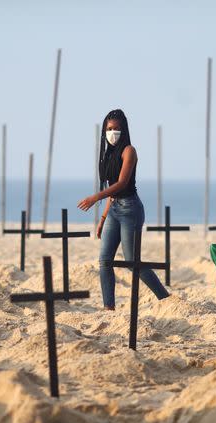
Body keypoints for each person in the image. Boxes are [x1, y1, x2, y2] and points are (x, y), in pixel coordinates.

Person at [77, 109, 169, 310]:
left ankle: (165, 298)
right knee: (104, 260)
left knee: (131, 262)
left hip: (130, 209)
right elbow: (112, 192)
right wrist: (102, 218)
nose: (113, 133)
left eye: (117, 129)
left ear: (124, 130)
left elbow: (121, 184)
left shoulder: (129, 151)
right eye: (109, 129)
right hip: (114, 210)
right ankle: (109, 307)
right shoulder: (108, 154)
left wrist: (95, 197)